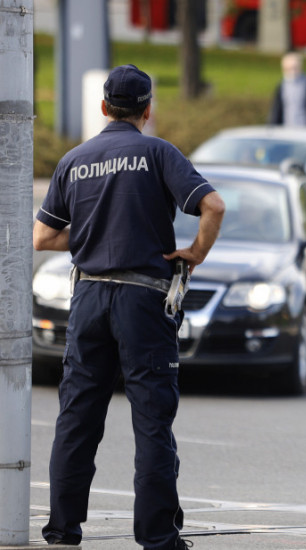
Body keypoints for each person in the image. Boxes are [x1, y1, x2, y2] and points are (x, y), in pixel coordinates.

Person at [33, 64, 225, 550]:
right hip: (143, 300)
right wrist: (195, 253)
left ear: (103, 108)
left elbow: (44, 236)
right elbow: (213, 206)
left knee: (77, 417)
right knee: (152, 420)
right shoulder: (158, 152)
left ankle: (62, 530)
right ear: (147, 110)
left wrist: (99, 228)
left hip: (90, 296)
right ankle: (158, 537)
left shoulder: (75, 159)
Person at [268, 52, 306, 126]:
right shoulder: (282, 85)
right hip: (287, 129)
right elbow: (277, 109)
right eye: (289, 68)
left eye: (295, 68)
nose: (292, 71)